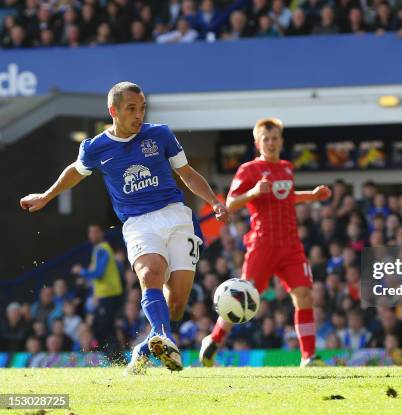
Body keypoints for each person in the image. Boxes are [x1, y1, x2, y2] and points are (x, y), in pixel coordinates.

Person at [20, 82, 228, 375]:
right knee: (150, 273)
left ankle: (144, 348)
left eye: (142, 108)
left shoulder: (160, 134)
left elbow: (187, 173)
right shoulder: (95, 148)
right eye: (131, 108)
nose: (139, 115)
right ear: (113, 110)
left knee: (177, 305)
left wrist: (214, 201)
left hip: (177, 217)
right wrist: (45, 196)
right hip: (139, 223)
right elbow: (74, 173)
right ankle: (166, 339)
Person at [199, 118, 331, 367]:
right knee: (244, 298)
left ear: (281, 140)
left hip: (291, 245)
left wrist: (311, 196)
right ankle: (214, 340)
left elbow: (286, 197)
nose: (270, 143)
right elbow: (230, 203)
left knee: (304, 295)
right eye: (266, 139)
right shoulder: (249, 170)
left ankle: (308, 357)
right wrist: (254, 193)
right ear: (257, 142)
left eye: (274, 138)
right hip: (263, 244)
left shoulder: (287, 168)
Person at [71, 224, 124, 360]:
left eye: (95, 232)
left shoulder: (103, 249)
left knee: (102, 326)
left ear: (101, 233)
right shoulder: (98, 249)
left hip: (110, 294)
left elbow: (98, 273)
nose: (92, 235)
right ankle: (116, 357)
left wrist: (81, 271)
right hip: (104, 295)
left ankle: (115, 357)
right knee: (104, 326)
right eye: (90, 232)